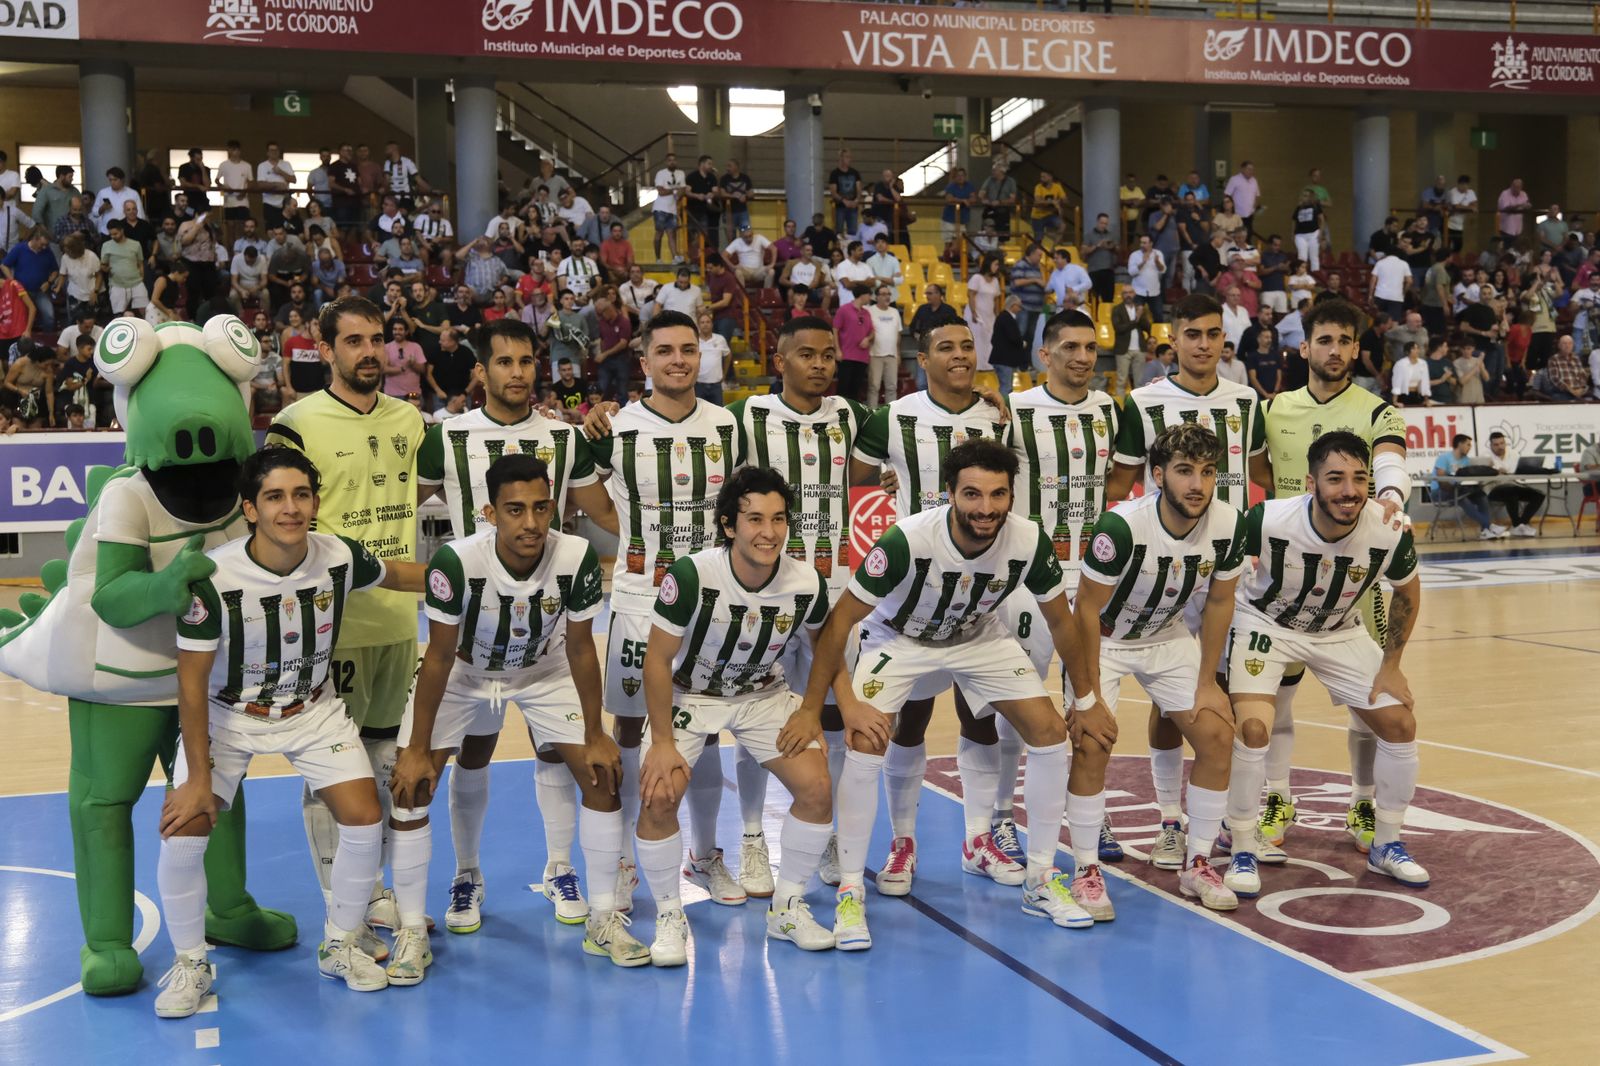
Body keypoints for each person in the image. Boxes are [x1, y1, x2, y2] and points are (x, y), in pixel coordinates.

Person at [799, 439, 1106, 947]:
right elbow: (839, 625)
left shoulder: (1028, 540)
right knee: (870, 740)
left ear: (1011, 495)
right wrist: (826, 707)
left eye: (997, 495)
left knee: (1051, 733)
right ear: (949, 494)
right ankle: (852, 891)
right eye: (972, 494)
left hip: (979, 636)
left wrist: (1088, 699)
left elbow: (1063, 622)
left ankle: (1040, 878)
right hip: (900, 638)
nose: (985, 508)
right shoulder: (906, 540)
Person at [154, 447, 427, 1017]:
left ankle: (340, 943)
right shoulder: (212, 578)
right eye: (275, 497)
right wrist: (198, 777)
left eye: (301, 495)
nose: (290, 508)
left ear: (315, 502)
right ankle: (190, 963)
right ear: (249, 508)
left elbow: (405, 575)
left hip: (312, 710)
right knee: (185, 828)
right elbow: (190, 684)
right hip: (229, 716)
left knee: (363, 818)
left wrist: (475, 570)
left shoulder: (339, 557)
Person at [390, 452, 642, 973]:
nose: (530, 523)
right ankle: (422, 921)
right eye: (515, 510)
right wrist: (416, 750)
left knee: (601, 775)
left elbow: (579, 649)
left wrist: (595, 733)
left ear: (555, 507)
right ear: (489, 512)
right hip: (464, 672)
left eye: (541, 508)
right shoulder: (455, 562)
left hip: (543, 671)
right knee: (411, 786)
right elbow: (436, 656)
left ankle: (602, 918)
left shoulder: (575, 556)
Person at [265, 296, 428, 937]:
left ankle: (375, 887)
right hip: (329, 630)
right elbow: (277, 520)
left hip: (396, 623)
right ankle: (343, 900)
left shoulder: (411, 421)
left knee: (386, 761)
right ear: (325, 348)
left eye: (377, 340)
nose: (369, 352)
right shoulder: (295, 423)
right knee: (333, 768)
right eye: (354, 341)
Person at [634, 466, 840, 963]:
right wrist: (661, 741)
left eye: (777, 519)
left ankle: (788, 906)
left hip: (762, 695)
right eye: (753, 519)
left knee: (816, 788)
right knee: (659, 796)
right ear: (729, 526)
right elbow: (657, 661)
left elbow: (826, 646)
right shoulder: (690, 575)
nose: (768, 532)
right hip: (691, 695)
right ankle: (668, 915)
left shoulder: (807, 580)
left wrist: (812, 709)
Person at [575, 311, 741, 914]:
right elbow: (582, 487)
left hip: (709, 600)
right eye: (665, 351)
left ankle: (706, 852)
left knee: (708, 721)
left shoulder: (727, 424)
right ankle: (623, 857)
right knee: (626, 726)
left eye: (688, 350)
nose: (678, 360)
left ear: (702, 358)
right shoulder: (614, 428)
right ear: (643, 363)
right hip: (640, 599)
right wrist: (625, 529)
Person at [1105, 293, 1270, 864]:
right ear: (1173, 339)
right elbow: (1118, 485)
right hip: (1160, 570)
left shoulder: (1247, 401)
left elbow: (1261, 478)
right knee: (1167, 698)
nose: (1204, 345)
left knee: (1221, 694)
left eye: (1214, 334)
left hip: (1225, 568)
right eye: (1193, 334)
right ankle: (1169, 818)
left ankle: (1231, 818)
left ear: (1226, 340)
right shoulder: (1142, 402)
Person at [1225, 432, 1429, 896]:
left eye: (1360, 478)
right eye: (1335, 478)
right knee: (1255, 729)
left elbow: (1408, 592)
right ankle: (1240, 843)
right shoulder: (1268, 519)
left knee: (1399, 723)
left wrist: (1391, 665)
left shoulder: (1389, 528)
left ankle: (1387, 842)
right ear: (1310, 482)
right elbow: (1221, 577)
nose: (1349, 490)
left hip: (1341, 630)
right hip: (1267, 624)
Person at [848, 321, 1008, 891]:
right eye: (947, 347)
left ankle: (978, 838)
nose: (960, 355)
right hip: (914, 589)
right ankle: (903, 842)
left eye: (968, 345)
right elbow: (856, 480)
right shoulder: (891, 418)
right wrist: (886, 487)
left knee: (980, 715)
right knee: (909, 720)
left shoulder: (997, 414)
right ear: (923, 358)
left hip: (983, 591)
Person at [1256, 300, 1412, 844]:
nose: (1336, 350)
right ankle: (1276, 795)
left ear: (1355, 349)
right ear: (1305, 348)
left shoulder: (1377, 411)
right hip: (1284, 583)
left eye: (1345, 341)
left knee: (1365, 700)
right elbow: (1261, 480)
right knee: (1273, 698)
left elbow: (1391, 461)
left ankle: (1364, 803)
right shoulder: (1272, 411)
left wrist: (1391, 498)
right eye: (1325, 340)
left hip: (1355, 585)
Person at [1073, 424, 1247, 913]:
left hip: (1168, 636)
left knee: (1216, 735)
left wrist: (1208, 680)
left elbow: (1220, 600)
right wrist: (1086, 697)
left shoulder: (1230, 523)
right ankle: (1086, 869)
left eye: (1208, 472)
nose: (1197, 484)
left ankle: (1197, 864)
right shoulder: (1122, 527)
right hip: (1104, 640)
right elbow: (1085, 610)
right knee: (1093, 742)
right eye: (1185, 471)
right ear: (1157, 476)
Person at [992, 309, 1118, 852]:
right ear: (1045, 355)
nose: (1083, 357)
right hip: (1027, 581)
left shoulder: (1112, 410)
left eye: (1090, 347)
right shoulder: (1014, 411)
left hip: (1090, 580)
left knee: (1088, 698)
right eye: (1070, 347)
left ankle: (1090, 813)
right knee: (1016, 700)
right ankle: (1001, 813)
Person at [1431, 434, 1494, 536]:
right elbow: (1441, 481)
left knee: (1481, 496)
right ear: (1460, 444)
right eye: (1468, 445)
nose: (1470, 448)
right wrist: (1458, 490)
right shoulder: (1444, 458)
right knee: (1462, 498)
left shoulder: (1466, 461)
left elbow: (1467, 479)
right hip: (1440, 492)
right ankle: (1489, 525)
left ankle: (1485, 531)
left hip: (1458, 489)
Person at [1484, 430, 1544, 537]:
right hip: (1493, 488)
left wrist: (1502, 471)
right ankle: (1517, 525)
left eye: (1502, 443)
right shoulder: (1485, 457)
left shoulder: (1513, 454)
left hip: (1514, 485)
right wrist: (1495, 471)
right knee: (1510, 491)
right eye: (1496, 444)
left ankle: (1521, 524)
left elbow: (1516, 472)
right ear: (1491, 445)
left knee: (1539, 495)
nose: (1500, 446)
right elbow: (1483, 476)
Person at [1109, 286, 1152, 396]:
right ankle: (1121, 407)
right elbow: (1119, 328)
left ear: (1134, 294)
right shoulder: (1117, 309)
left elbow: (1147, 327)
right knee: (1121, 381)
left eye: (1130, 292)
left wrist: (1140, 316)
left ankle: (1137, 407)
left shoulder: (1141, 308)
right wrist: (1135, 319)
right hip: (1123, 349)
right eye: (1125, 293)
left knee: (1140, 382)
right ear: (1122, 295)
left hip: (1140, 348)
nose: (1128, 295)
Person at [866, 283, 903, 406]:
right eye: (883, 294)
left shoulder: (895, 312)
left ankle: (890, 414)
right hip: (875, 354)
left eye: (888, 294)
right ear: (876, 297)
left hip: (892, 355)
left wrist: (898, 353)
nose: (887, 297)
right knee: (874, 387)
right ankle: (872, 414)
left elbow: (898, 334)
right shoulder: (870, 311)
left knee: (892, 387)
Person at [695, 308, 732, 404]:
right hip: (698, 384)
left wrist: (724, 374)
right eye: (702, 322)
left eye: (708, 322)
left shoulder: (720, 339)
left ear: (712, 324)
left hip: (716, 385)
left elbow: (728, 356)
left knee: (718, 415)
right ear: (698, 325)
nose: (705, 324)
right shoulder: (694, 341)